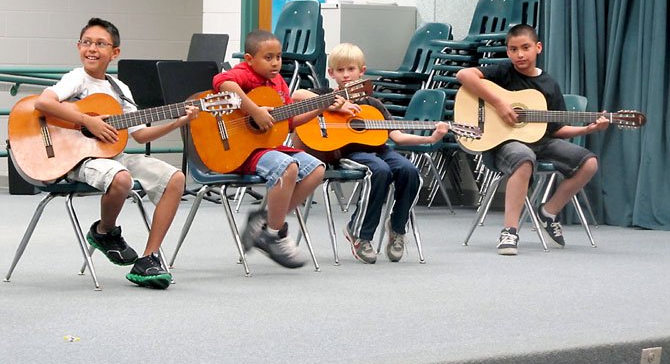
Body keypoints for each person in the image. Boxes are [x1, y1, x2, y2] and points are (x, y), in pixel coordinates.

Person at [34, 17, 199, 288]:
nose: (92, 49)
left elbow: (140, 134)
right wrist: (89, 121)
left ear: (115, 53)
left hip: (113, 157)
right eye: (87, 42)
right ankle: (104, 231)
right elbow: (44, 102)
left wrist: (177, 122)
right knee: (120, 177)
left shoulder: (119, 90)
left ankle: (149, 258)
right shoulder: (77, 78)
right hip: (78, 158)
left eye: (101, 44)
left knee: (175, 178)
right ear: (78, 47)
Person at [456, 24, 610, 255]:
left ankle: (549, 211)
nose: (519, 54)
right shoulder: (503, 73)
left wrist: (587, 130)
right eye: (513, 49)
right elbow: (464, 75)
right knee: (524, 157)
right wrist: (499, 103)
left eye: (525, 48)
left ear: (538, 48)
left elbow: (557, 130)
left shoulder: (549, 85)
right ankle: (510, 230)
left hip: (542, 142)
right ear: (507, 52)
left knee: (589, 163)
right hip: (503, 144)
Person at [293, 43, 449, 264]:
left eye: (351, 69)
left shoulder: (373, 104)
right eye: (340, 70)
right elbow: (297, 95)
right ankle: (360, 233)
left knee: (409, 170)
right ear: (331, 73)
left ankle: (397, 228)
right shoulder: (327, 94)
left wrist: (431, 138)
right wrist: (332, 104)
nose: (346, 75)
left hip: (379, 149)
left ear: (362, 71)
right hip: (346, 152)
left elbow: (398, 137)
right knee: (379, 170)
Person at [212, 29, 338, 269]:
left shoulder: (278, 83)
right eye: (268, 57)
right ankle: (274, 232)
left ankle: (266, 223)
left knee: (316, 169)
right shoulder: (244, 74)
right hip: (244, 149)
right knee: (287, 167)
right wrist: (255, 111)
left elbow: (289, 122)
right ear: (249, 59)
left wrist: (321, 107)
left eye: (278, 57)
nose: (275, 63)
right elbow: (222, 82)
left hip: (271, 146)